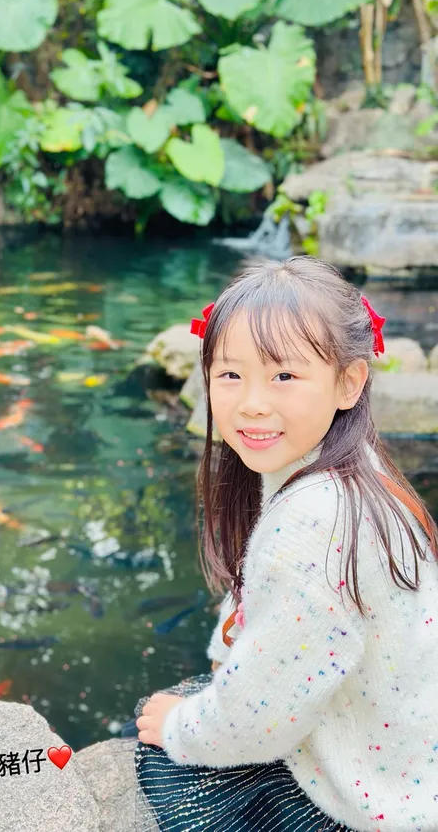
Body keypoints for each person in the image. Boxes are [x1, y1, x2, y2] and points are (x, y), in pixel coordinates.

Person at [132, 256, 438, 832]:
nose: (252, 402)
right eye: (230, 375)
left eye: (284, 376)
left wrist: (179, 729)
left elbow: (255, 718)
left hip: (369, 801)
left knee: (156, 742)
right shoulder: (355, 469)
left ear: (349, 382)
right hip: (408, 755)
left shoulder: (312, 524)